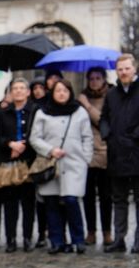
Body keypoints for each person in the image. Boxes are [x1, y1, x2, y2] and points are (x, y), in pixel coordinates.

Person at [28, 79, 93, 254]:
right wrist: (50, 150)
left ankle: (78, 239)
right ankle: (57, 240)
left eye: (65, 90)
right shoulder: (43, 112)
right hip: (51, 165)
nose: (61, 94)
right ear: (52, 93)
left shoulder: (79, 112)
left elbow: (87, 137)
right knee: (51, 203)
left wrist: (86, 158)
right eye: (58, 91)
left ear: (70, 92)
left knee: (71, 201)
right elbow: (34, 138)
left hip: (74, 164)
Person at [0, 78, 38, 251]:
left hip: (28, 162)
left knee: (28, 203)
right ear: (11, 92)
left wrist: (23, 146)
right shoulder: (4, 113)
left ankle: (27, 237)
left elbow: (37, 133)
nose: (18, 91)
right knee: (10, 203)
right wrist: (10, 144)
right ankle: (10, 238)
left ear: (27, 92)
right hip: (9, 163)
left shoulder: (34, 110)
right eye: (15, 88)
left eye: (21, 88)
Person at [100, 53, 139, 253]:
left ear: (134, 69)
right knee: (119, 199)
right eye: (120, 69)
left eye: (127, 68)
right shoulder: (112, 94)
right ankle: (119, 238)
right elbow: (104, 117)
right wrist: (107, 134)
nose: (124, 72)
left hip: (136, 152)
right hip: (116, 153)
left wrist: (133, 137)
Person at [78, 67, 112, 246]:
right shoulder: (81, 98)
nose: (94, 81)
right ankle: (91, 231)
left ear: (104, 79)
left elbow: (104, 122)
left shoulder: (111, 97)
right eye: (91, 78)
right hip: (87, 154)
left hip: (105, 153)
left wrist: (88, 106)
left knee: (106, 196)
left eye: (98, 78)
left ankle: (107, 231)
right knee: (88, 197)